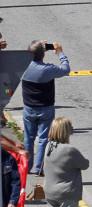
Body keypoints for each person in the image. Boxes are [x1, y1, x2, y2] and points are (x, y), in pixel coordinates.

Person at [20, 40, 70, 175]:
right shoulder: (48, 69)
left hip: (29, 108)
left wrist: (39, 53)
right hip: (45, 108)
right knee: (43, 139)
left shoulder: (23, 66)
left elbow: (32, 59)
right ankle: (39, 168)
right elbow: (66, 69)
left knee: (28, 138)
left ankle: (26, 166)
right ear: (43, 55)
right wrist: (60, 53)